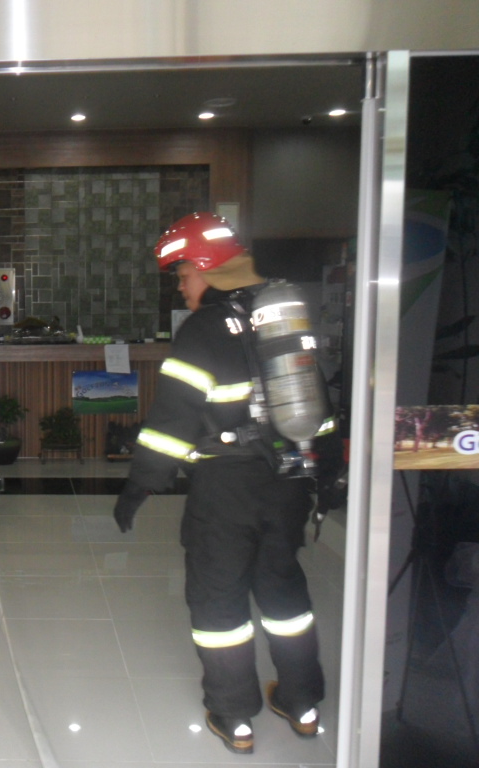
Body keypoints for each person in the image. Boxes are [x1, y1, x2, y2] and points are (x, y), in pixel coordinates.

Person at [112, 212, 344, 755]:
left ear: (205, 267)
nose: (181, 286)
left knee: (219, 600)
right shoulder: (283, 320)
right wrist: (329, 472)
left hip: (225, 489)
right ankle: (303, 703)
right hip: (287, 482)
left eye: (182, 275)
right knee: (284, 591)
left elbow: (172, 422)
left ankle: (234, 715)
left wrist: (139, 486)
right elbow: (318, 404)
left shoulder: (204, 330)